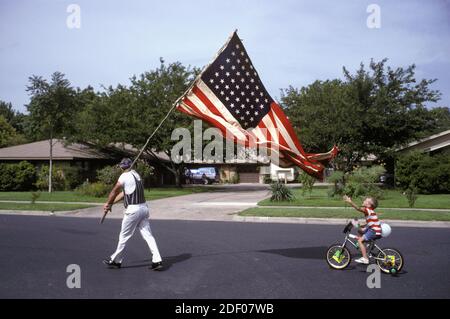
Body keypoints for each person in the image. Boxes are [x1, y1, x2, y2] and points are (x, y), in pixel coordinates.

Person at [102, 158, 163, 270]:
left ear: (121, 167)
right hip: (144, 208)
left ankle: (115, 261)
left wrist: (108, 203)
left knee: (124, 236)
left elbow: (114, 191)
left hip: (133, 210)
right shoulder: (136, 175)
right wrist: (110, 204)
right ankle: (157, 260)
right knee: (148, 236)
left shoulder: (123, 177)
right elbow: (124, 193)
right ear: (131, 166)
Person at [343, 195, 382, 264]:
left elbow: (358, 208)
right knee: (360, 231)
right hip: (373, 229)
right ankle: (367, 248)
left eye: (365, 200)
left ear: (369, 205)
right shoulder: (370, 212)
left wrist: (350, 202)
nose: (363, 201)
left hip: (373, 231)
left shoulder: (367, 210)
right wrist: (355, 223)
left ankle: (365, 258)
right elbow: (364, 224)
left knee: (360, 241)